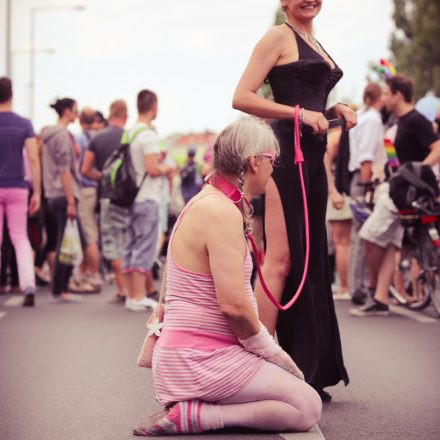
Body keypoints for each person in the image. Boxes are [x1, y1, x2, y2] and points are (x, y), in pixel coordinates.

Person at [135, 117, 321, 436]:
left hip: (192, 353)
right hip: (199, 357)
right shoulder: (219, 211)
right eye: (272, 161)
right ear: (254, 162)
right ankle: (197, 416)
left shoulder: (208, 201)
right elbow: (233, 307)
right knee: (306, 406)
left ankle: (195, 408)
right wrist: (275, 355)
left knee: (300, 397)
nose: (274, 169)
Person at [232, 0, 356, 401]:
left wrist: (334, 109)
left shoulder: (311, 40)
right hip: (286, 154)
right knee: (282, 259)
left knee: (312, 257)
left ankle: (308, 366)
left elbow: (312, 100)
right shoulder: (277, 36)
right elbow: (242, 97)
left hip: (314, 156)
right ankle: (260, 365)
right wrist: (299, 114)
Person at [351, 75, 440, 317]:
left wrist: (416, 171)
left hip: (403, 192)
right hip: (399, 190)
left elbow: (438, 147)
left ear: (399, 95)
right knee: (390, 244)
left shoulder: (414, 120)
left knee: (369, 236)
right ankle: (380, 299)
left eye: (388, 94)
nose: (384, 98)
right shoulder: (400, 121)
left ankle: (372, 289)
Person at [123, 90, 174, 312]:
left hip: (132, 197)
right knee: (144, 246)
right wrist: (168, 168)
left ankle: (130, 294)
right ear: (153, 106)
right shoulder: (149, 135)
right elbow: (152, 170)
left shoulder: (131, 133)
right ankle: (137, 296)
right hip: (147, 198)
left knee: (132, 244)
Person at [82, 99, 128, 304]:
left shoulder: (97, 138)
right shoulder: (130, 137)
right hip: (129, 198)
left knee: (112, 243)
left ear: (110, 115)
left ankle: (121, 290)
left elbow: (85, 169)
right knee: (130, 242)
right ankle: (136, 290)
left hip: (107, 198)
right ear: (125, 115)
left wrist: (103, 178)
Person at [0, 77, 41, 307]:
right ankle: (28, 284)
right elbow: (33, 158)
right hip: (18, 187)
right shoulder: (24, 124)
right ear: (11, 94)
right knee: (20, 237)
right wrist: (37, 191)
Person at [41, 98, 84, 302]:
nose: (77, 112)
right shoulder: (62, 136)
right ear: (67, 111)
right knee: (65, 242)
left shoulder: (48, 135)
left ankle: (62, 287)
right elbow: (64, 170)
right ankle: (60, 289)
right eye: (75, 109)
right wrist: (71, 201)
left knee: (66, 240)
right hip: (64, 194)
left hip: (52, 192)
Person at [347, 83, 385, 304]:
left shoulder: (360, 114)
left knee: (358, 235)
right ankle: (359, 287)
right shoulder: (372, 119)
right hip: (365, 178)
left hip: (357, 178)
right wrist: (365, 185)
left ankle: (356, 285)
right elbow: (367, 155)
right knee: (364, 233)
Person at [325, 107, 353, 301]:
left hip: (342, 193)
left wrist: (332, 189)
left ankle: (345, 287)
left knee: (342, 242)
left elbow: (324, 159)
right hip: (352, 190)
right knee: (347, 242)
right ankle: (348, 285)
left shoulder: (335, 136)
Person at [74, 107, 101, 292]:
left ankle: (93, 274)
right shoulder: (99, 137)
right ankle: (87, 272)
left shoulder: (80, 138)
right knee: (91, 230)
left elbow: (79, 167)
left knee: (88, 232)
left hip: (84, 189)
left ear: (80, 120)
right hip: (97, 189)